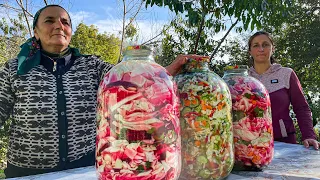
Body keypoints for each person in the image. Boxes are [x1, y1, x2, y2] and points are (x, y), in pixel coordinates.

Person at [0, 4, 188, 178]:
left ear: (70, 32)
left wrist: (167, 71)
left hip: (84, 171)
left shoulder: (92, 66)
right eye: (49, 20)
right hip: (26, 173)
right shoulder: (14, 69)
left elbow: (131, 81)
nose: (59, 25)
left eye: (65, 22)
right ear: (35, 31)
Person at [247, 31, 319, 149]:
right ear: (250, 51)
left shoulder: (286, 74)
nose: (261, 49)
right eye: (256, 45)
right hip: (251, 143)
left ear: (272, 48)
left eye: (265, 44)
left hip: (285, 142)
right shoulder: (243, 79)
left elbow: (301, 107)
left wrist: (309, 135)